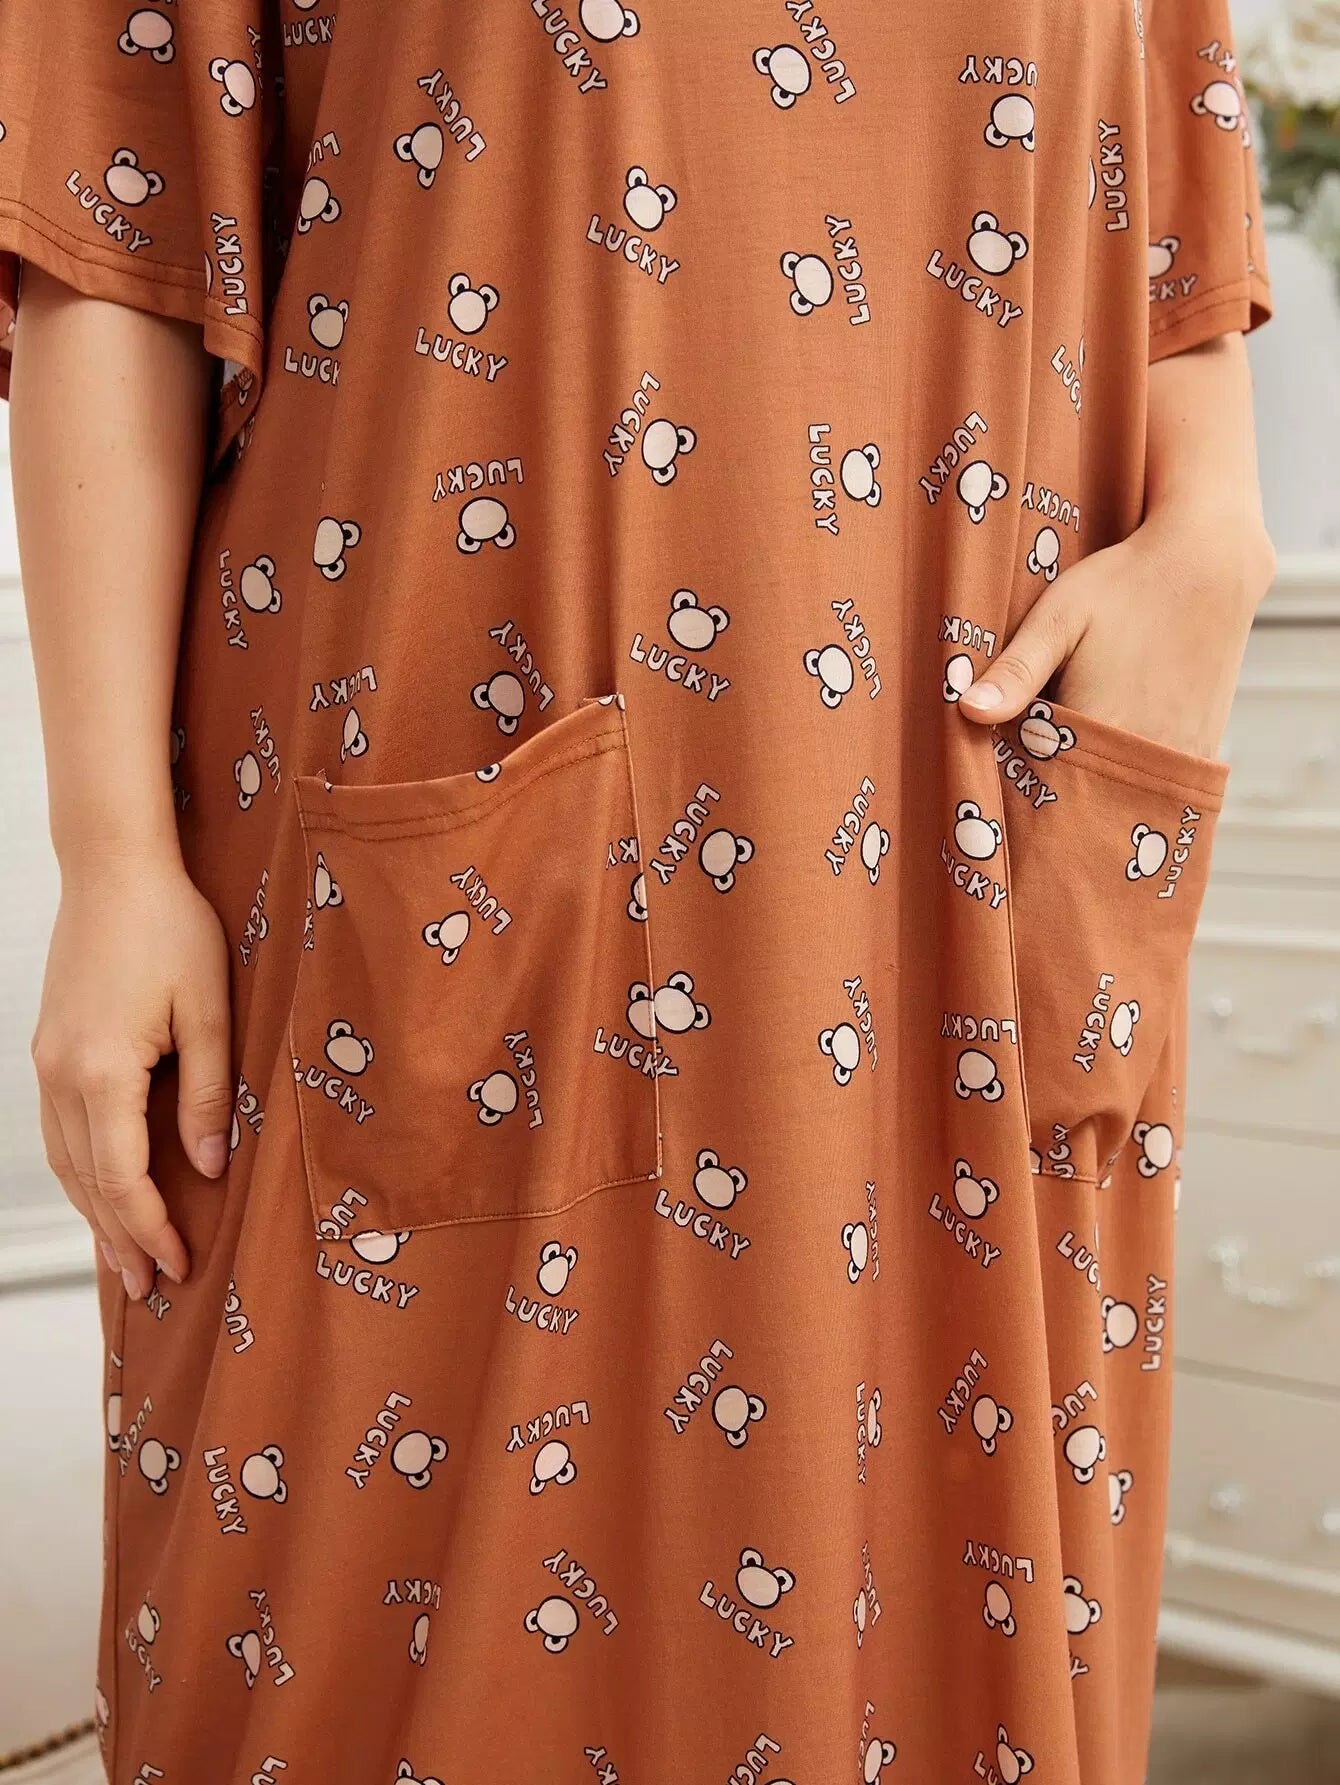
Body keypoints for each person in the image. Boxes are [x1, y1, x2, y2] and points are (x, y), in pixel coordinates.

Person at [1, 2, 1274, 1780]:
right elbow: (116, 229)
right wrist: (112, 851)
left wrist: (1215, 526)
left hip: (975, 866)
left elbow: (1176, 220)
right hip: (436, 827)